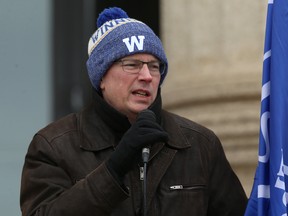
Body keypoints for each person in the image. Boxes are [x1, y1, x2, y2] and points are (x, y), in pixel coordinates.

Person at [20, 7, 247, 216]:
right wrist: (113, 168)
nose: (147, 76)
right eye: (132, 65)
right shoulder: (53, 145)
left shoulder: (199, 144)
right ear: (101, 78)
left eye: (155, 66)